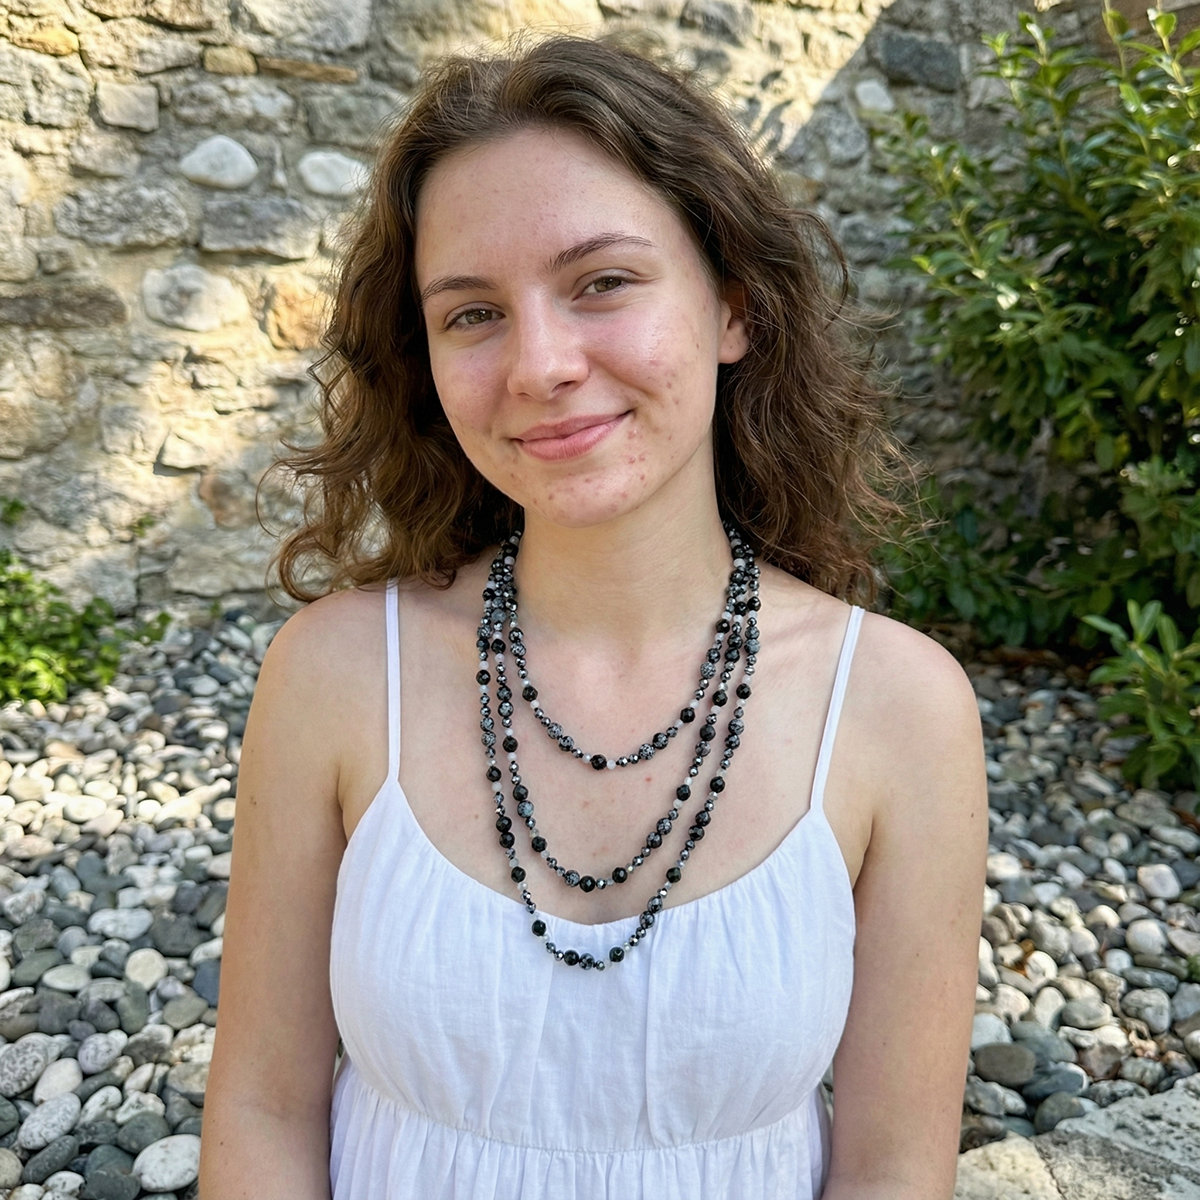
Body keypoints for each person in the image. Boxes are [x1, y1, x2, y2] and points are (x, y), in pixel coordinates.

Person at [200, 33, 988, 1200]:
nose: (541, 364)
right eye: (472, 313)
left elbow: (893, 1169)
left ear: (734, 307)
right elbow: (263, 1110)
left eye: (603, 283)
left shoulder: (897, 709)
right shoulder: (334, 675)